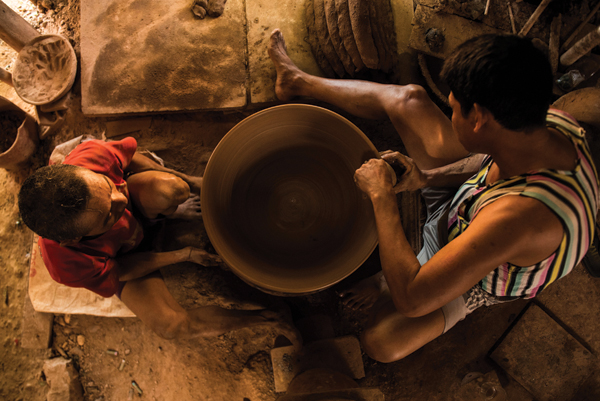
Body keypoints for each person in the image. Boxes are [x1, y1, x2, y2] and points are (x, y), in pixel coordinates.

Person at [268, 29, 599, 362]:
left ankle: (388, 278)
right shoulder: (549, 122)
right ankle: (296, 81)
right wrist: (424, 177)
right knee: (409, 100)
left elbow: (413, 300)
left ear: (480, 119)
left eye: (454, 109)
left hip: (480, 274)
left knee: (381, 342)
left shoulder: (519, 218)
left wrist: (382, 196)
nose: (450, 114)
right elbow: (488, 159)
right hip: (468, 208)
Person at [18, 136, 300, 344]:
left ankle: (170, 211)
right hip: (125, 257)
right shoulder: (66, 263)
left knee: (172, 189)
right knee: (172, 326)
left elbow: (130, 157)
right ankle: (272, 317)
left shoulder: (89, 158)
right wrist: (183, 255)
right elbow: (122, 270)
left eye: (107, 186)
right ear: (75, 239)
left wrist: (194, 182)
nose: (120, 198)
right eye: (107, 216)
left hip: (141, 213)